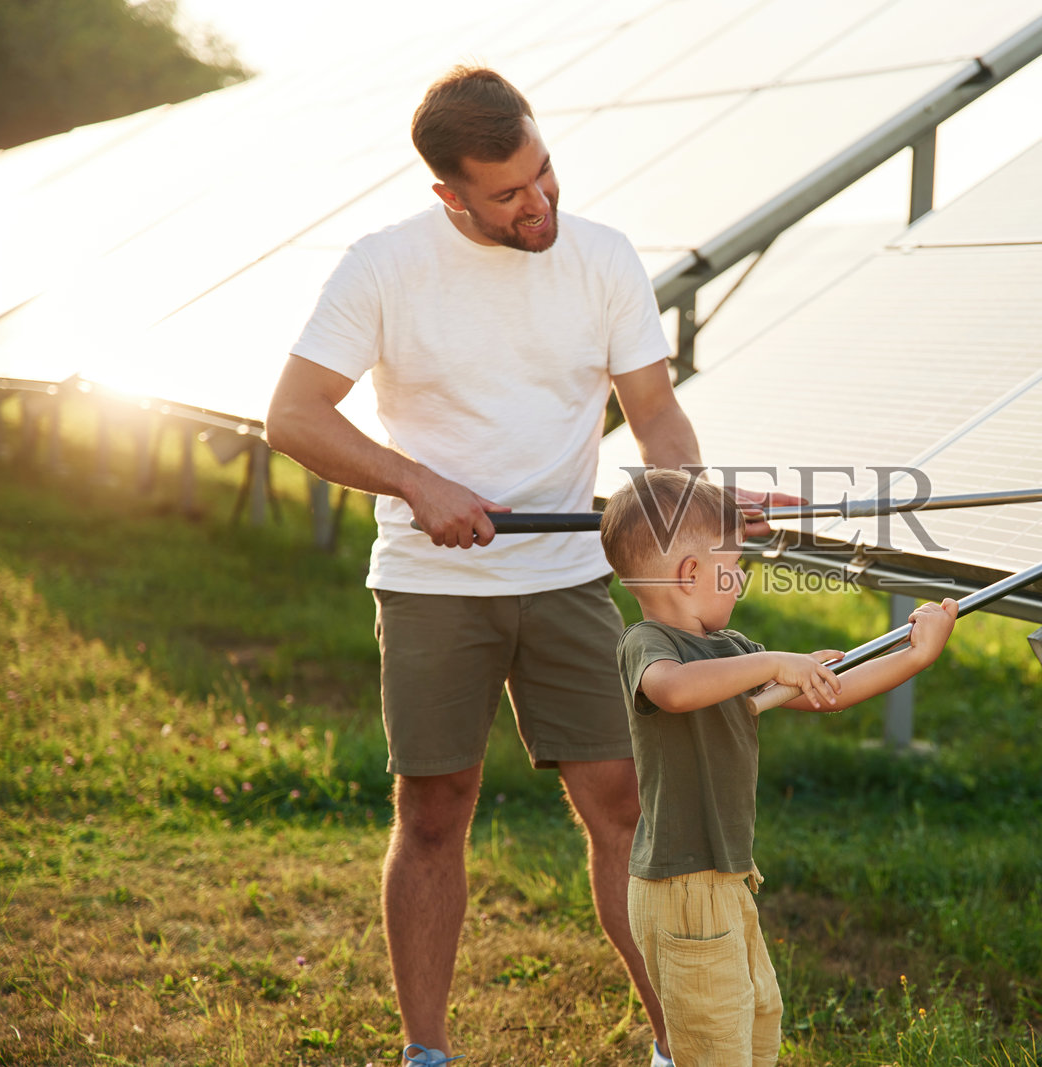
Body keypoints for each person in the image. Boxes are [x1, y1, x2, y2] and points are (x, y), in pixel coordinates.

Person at [265, 66, 788, 1067]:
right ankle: (426, 1050)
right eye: (507, 193)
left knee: (626, 807)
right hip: (430, 584)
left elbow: (655, 413)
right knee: (434, 811)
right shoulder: (382, 267)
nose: (538, 201)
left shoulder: (602, 257)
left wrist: (698, 510)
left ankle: (677, 1044)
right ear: (449, 193)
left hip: (568, 578)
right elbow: (292, 416)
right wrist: (417, 482)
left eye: (543, 171)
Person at [599, 470, 958, 1066]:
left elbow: (831, 694)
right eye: (734, 567)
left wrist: (915, 655)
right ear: (690, 574)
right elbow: (674, 691)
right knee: (714, 1047)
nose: (741, 580)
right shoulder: (648, 644)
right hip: (681, 888)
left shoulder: (732, 650)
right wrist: (774, 662)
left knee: (755, 1022)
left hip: (727, 878)